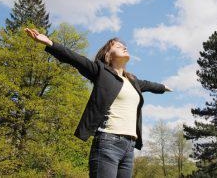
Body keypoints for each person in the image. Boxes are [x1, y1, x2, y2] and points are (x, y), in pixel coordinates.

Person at [25, 28, 173, 178]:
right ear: (108, 54)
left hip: (129, 147)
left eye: (124, 45)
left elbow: (148, 84)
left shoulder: (133, 81)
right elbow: (75, 59)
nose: (124, 47)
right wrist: (50, 43)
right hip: (108, 143)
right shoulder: (100, 71)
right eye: (117, 46)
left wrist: (163, 87)